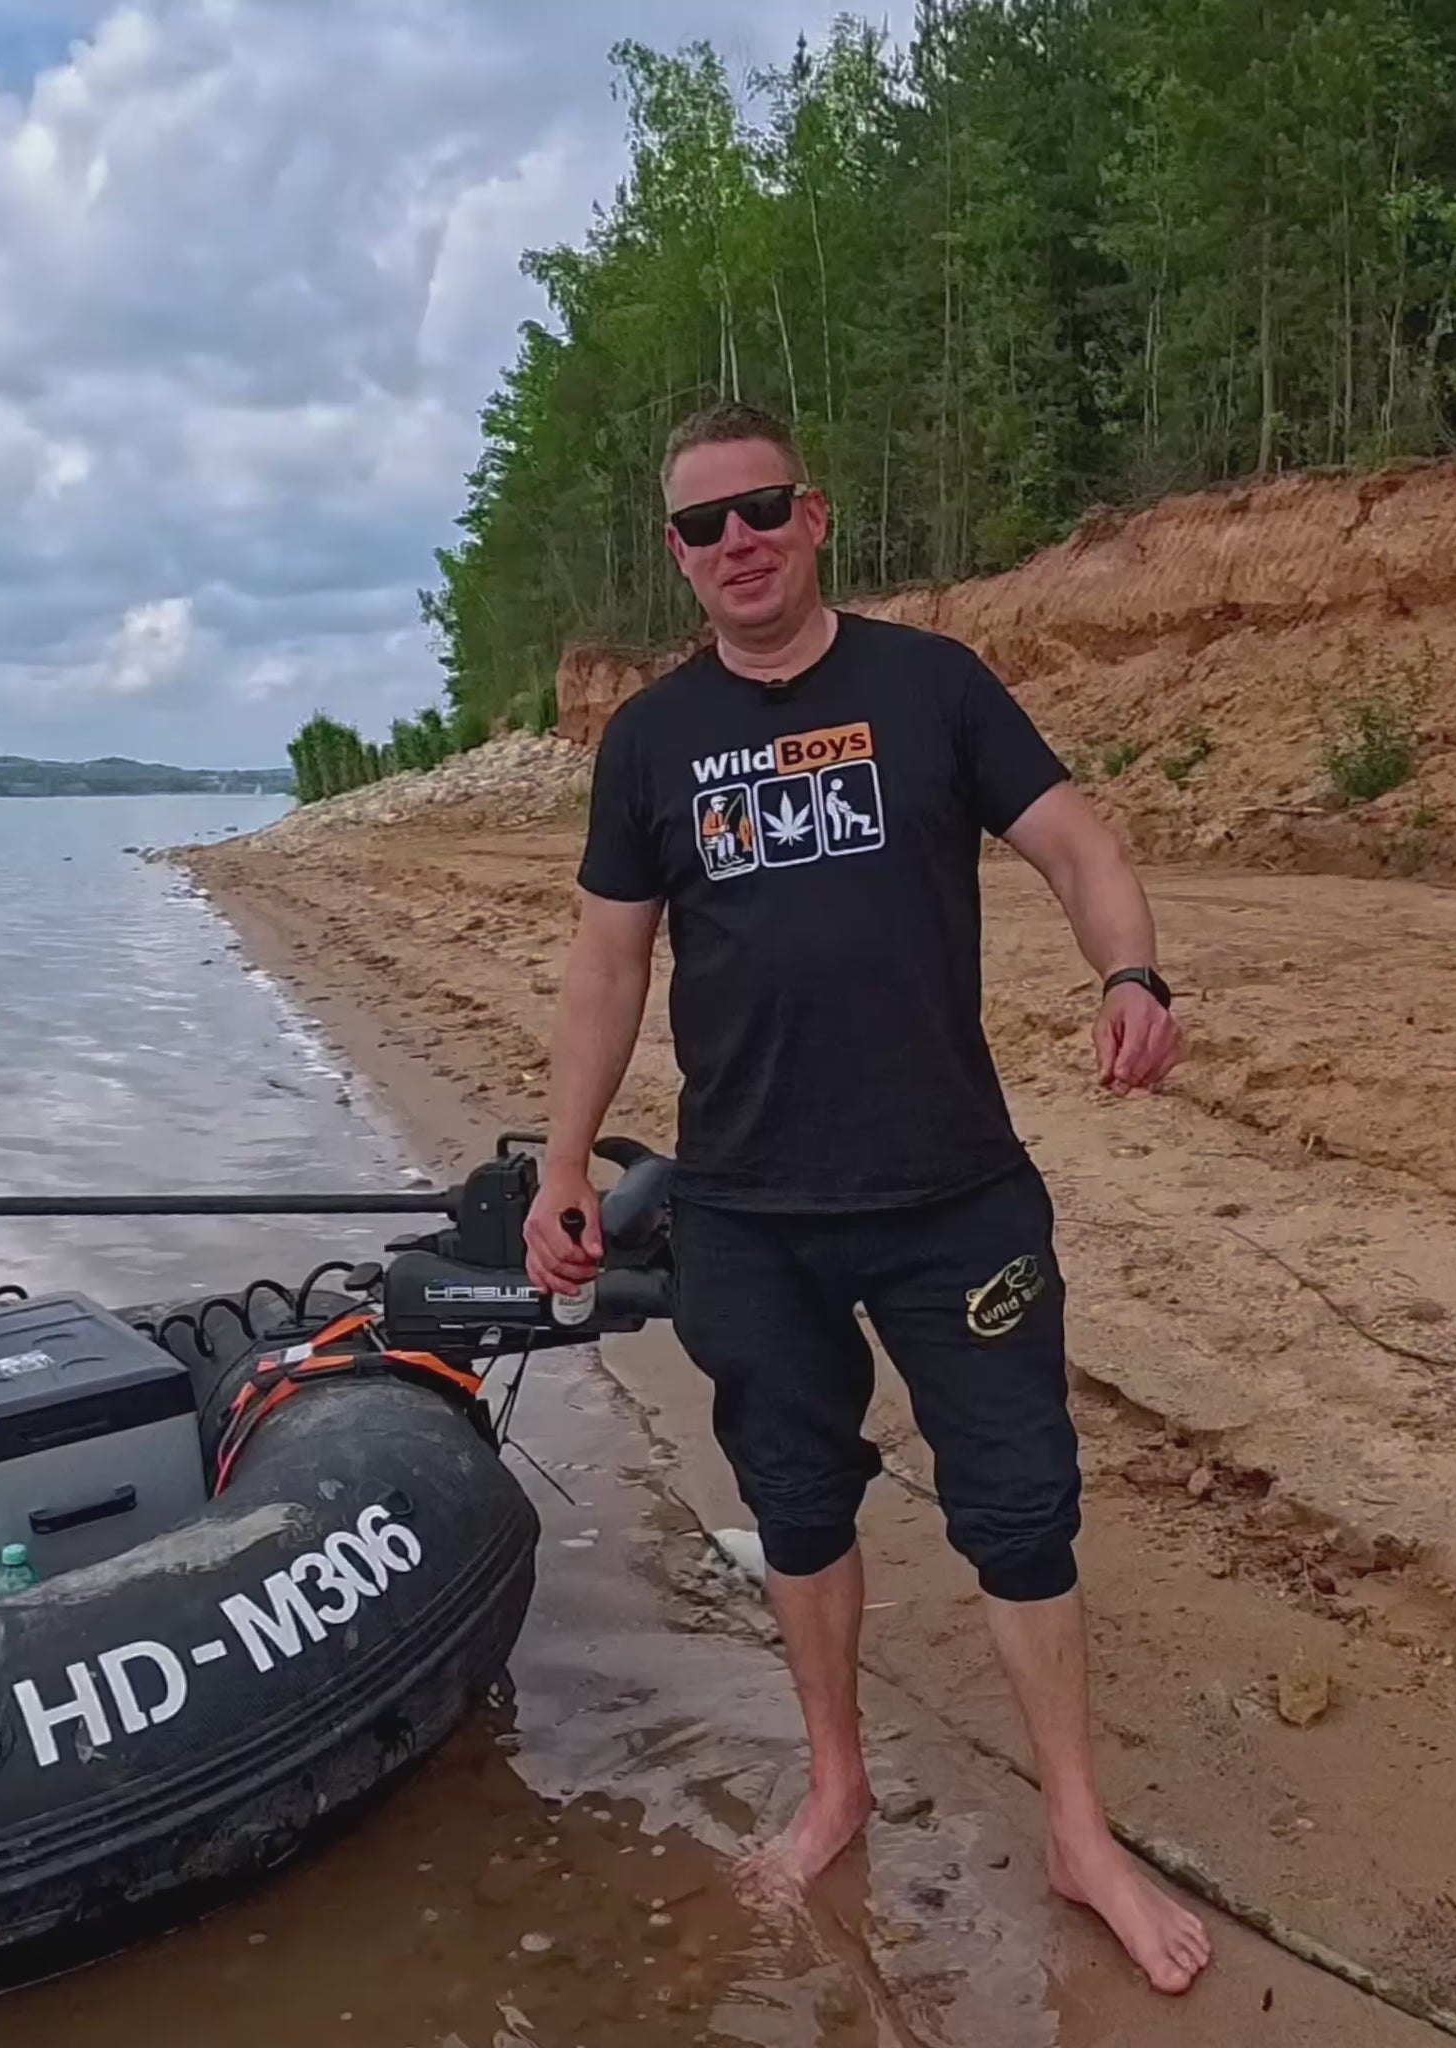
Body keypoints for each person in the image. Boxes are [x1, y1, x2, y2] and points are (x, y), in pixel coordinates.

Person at [524, 401, 1209, 1997]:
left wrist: (1135, 970)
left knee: (1023, 1513)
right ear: (677, 555)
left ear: (812, 515)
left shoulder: (932, 685)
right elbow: (608, 961)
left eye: (759, 510)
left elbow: (1077, 843)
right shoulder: (649, 742)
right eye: (701, 526)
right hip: (747, 1210)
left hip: (953, 1196)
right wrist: (566, 1160)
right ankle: (836, 1785)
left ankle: (1080, 1834)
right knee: (800, 1498)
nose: (735, 543)